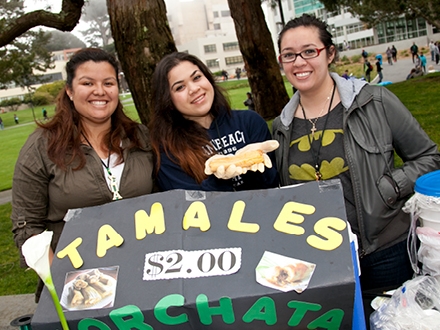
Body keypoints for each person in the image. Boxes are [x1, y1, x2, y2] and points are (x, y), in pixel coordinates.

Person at [272, 14, 440, 292]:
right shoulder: (281, 127)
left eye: (309, 51)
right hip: (319, 262)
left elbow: (429, 157)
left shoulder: (375, 101)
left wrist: (388, 187)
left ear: (330, 54)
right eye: (289, 55)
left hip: (384, 252)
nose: (299, 62)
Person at [11, 48, 154, 302]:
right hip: (79, 288)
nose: (100, 91)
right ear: (69, 91)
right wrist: (69, 286)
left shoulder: (139, 137)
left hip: (143, 278)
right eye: (87, 83)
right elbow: (26, 228)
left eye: (108, 83)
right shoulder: (41, 147)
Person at [149, 52, 279, 192]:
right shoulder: (167, 150)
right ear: (167, 100)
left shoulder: (249, 122)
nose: (194, 89)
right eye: (180, 87)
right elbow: (189, 208)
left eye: (197, 77)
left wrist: (254, 167)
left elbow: (273, 186)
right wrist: (217, 179)